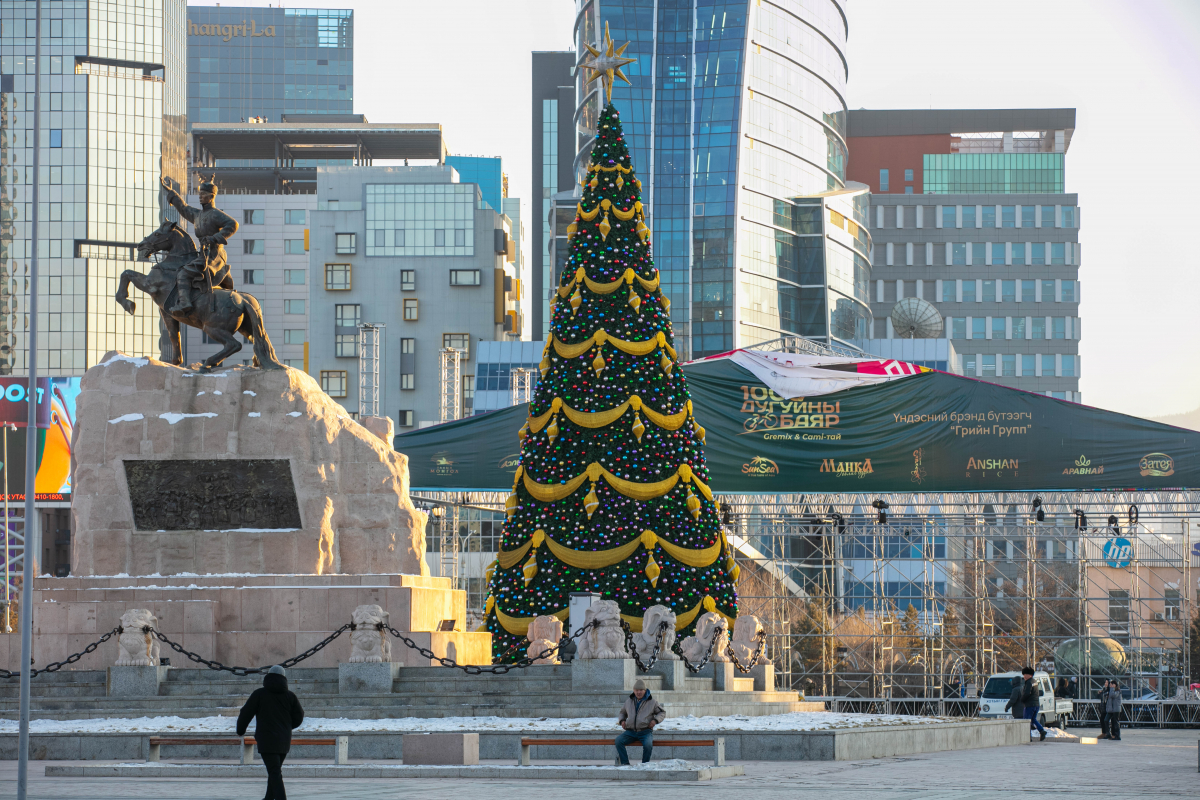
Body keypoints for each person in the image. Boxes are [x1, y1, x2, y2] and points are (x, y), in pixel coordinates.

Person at [160, 173, 238, 313]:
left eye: (203, 194)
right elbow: (183, 208)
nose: (200, 196)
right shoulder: (197, 215)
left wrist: (214, 238)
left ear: (211, 196)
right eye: (199, 194)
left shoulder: (215, 214)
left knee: (183, 274)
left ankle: (184, 303)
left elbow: (233, 224)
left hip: (215, 255)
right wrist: (170, 192)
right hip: (203, 254)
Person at [237, 664, 304, 800]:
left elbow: (246, 713)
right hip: (283, 740)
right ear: (284, 679)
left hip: (266, 740)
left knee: (274, 772)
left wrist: (240, 730)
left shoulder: (259, 694)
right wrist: (286, 728)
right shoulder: (290, 696)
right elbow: (299, 716)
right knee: (274, 770)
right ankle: (268, 798)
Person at [615, 678, 665, 765]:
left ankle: (644, 765)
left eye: (641, 690)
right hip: (630, 732)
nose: (639, 692)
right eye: (637, 690)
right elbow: (622, 712)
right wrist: (622, 720)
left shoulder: (652, 702)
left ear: (645, 690)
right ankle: (625, 763)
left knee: (648, 745)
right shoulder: (629, 701)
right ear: (634, 691)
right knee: (618, 741)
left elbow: (662, 712)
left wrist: (655, 720)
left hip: (645, 731)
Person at [1019, 667, 1046, 741]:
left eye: (1026, 674)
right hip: (1036, 704)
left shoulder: (1028, 682)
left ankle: (1028, 737)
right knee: (1033, 719)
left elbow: (1027, 693)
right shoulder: (1035, 681)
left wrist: (1022, 700)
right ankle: (1042, 731)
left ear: (1030, 675)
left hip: (1029, 705)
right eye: (1024, 674)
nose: (1024, 676)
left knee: (1026, 721)